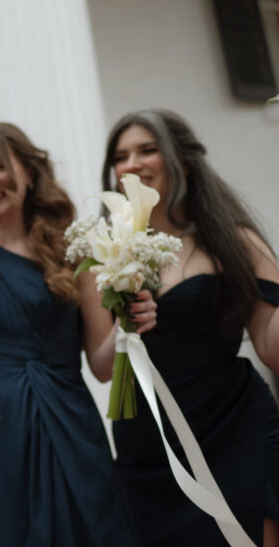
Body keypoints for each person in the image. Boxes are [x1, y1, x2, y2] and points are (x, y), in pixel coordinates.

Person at [0, 122, 156, 547]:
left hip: (69, 426)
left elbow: (102, 365)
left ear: (30, 173)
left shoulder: (76, 255)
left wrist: (129, 324)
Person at [104, 109, 279, 547]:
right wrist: (125, 322)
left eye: (148, 149)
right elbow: (103, 365)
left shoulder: (230, 239)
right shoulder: (109, 251)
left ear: (181, 161)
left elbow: (269, 347)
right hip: (149, 443)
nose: (133, 163)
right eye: (121, 155)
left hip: (232, 427)